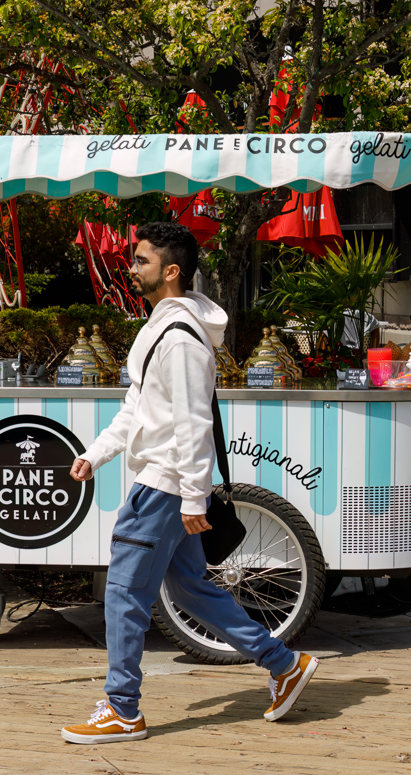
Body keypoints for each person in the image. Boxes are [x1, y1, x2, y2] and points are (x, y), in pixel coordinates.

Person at [61, 221, 317, 744]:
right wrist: (96, 453)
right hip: (167, 482)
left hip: (163, 486)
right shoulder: (163, 328)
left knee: (124, 593)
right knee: (190, 589)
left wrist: (194, 498)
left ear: (172, 271)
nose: (132, 268)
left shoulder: (179, 339)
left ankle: (122, 709)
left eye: (142, 261)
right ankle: (284, 663)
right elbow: (138, 408)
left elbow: (194, 424)